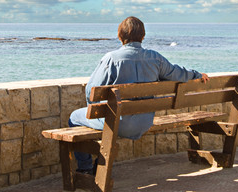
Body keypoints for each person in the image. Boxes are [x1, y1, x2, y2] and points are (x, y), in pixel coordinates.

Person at [69, 16, 209, 174]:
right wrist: (197, 75)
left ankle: (85, 168)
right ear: (143, 36)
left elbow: (91, 92)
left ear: (120, 36)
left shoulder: (111, 59)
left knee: (74, 117)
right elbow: (178, 74)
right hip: (144, 122)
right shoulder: (155, 58)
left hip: (116, 123)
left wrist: (95, 108)